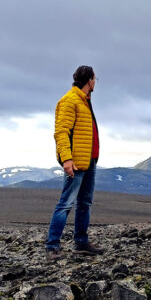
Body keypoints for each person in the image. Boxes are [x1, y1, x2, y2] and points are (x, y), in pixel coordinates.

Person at [45, 65, 106, 260]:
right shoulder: (70, 101)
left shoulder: (84, 101)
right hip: (77, 162)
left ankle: (81, 243)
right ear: (89, 81)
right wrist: (67, 159)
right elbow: (61, 132)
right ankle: (52, 246)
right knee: (66, 203)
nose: (95, 82)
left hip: (89, 160)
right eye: (95, 79)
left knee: (85, 203)